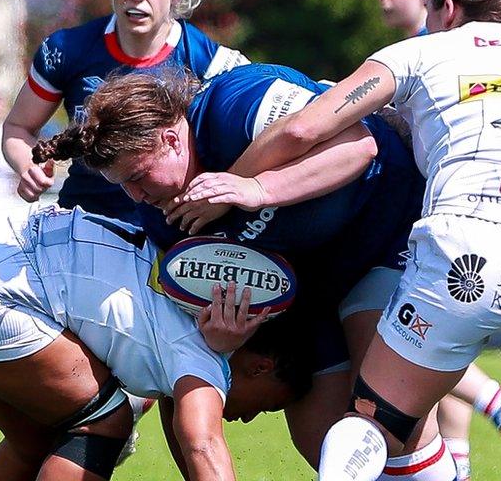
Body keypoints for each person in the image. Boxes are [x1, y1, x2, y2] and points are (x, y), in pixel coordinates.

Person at [181, 0, 501, 481]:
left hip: (469, 257)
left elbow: (304, 127)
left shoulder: (420, 52)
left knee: (374, 419)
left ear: (447, 10)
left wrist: (242, 186)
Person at [32, 65, 462, 479]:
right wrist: (221, 337)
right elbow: (182, 343)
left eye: (140, 177)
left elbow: (358, 146)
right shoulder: (167, 219)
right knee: (324, 445)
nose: (138, 196)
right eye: (123, 185)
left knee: (387, 420)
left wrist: (252, 187)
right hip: (315, 293)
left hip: (391, 233)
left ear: (171, 139)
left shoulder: (233, 104)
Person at [0, 204, 312, 481]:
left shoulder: (199, 298)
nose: (250, 419)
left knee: (33, 441)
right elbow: (202, 442)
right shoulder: (205, 356)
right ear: (261, 366)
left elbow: (183, 428)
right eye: (270, 406)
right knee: (104, 423)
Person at [374, 0, 501, 481]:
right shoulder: (433, 46)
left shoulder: (436, 47)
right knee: (437, 353)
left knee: (414, 344)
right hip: (445, 218)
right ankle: (461, 468)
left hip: (440, 220)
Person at [3, 0, 249, 221]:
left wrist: (228, 192)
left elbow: (256, 137)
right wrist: (28, 164)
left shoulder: (210, 62)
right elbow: (17, 127)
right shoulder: (66, 50)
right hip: (86, 225)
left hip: (174, 231)